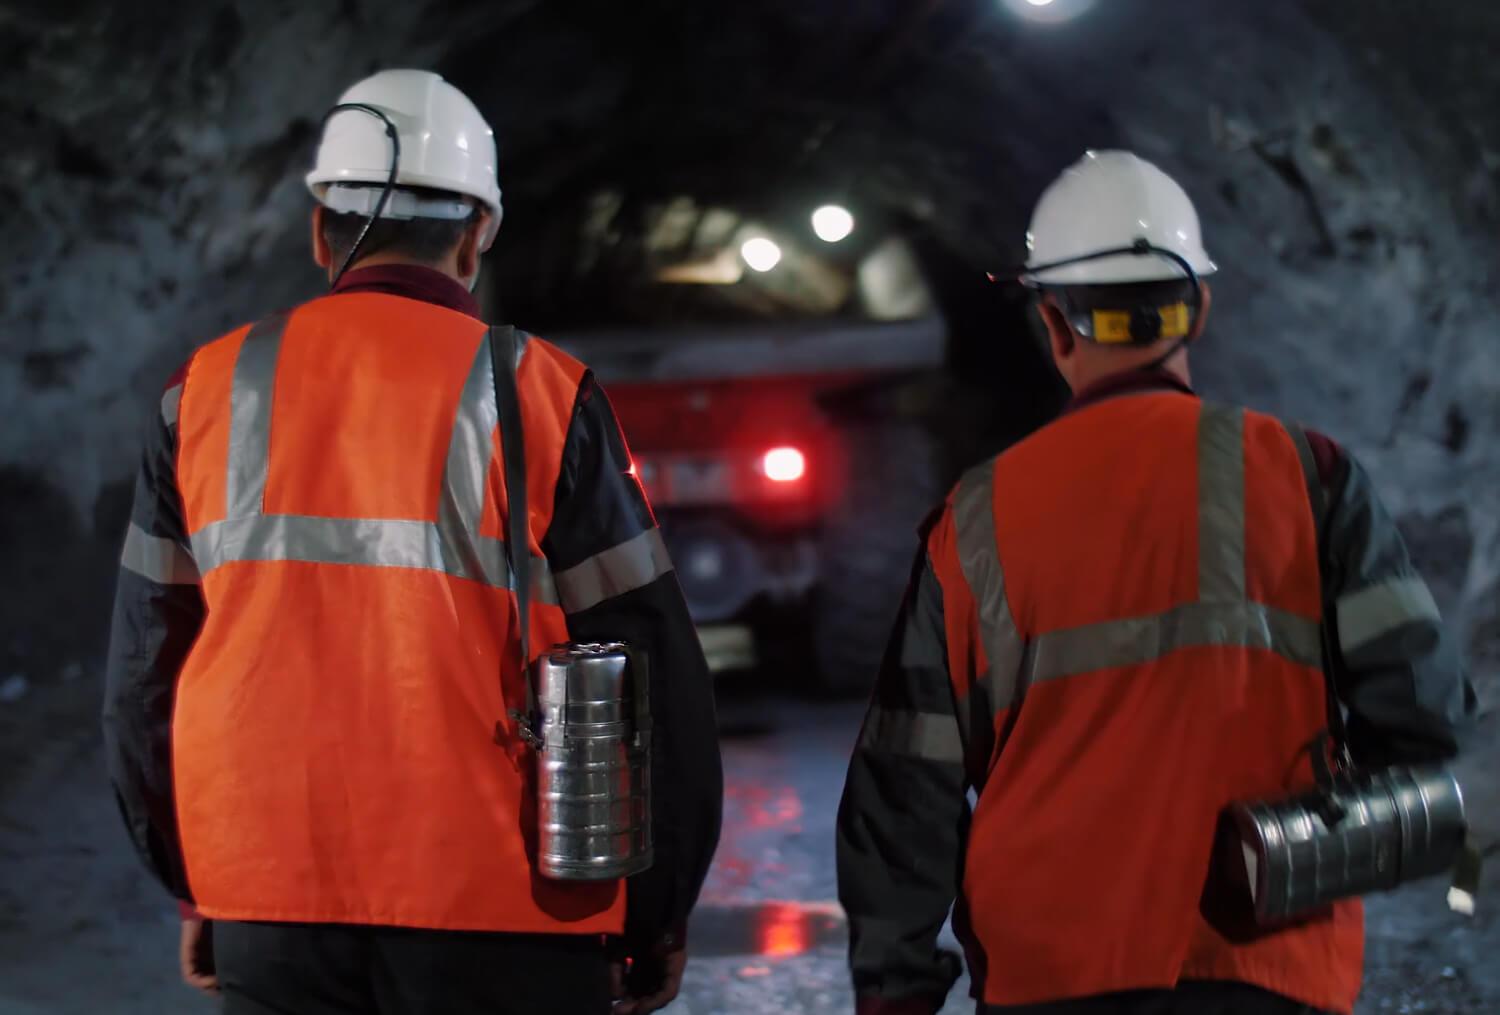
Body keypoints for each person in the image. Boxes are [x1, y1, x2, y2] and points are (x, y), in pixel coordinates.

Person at [102, 68, 722, 1015]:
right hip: (506, 903)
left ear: (319, 229)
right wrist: (657, 908)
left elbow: (147, 668)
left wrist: (198, 878)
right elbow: (653, 666)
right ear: (481, 233)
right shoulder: (540, 392)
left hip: (270, 896)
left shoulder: (203, 394)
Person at [835, 150, 1474, 1015]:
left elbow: (905, 784)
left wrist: (895, 988)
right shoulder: (1310, 475)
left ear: (1053, 325)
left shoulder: (974, 518)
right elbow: (1424, 722)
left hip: (1050, 977)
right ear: (1199, 308)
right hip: (1269, 970)